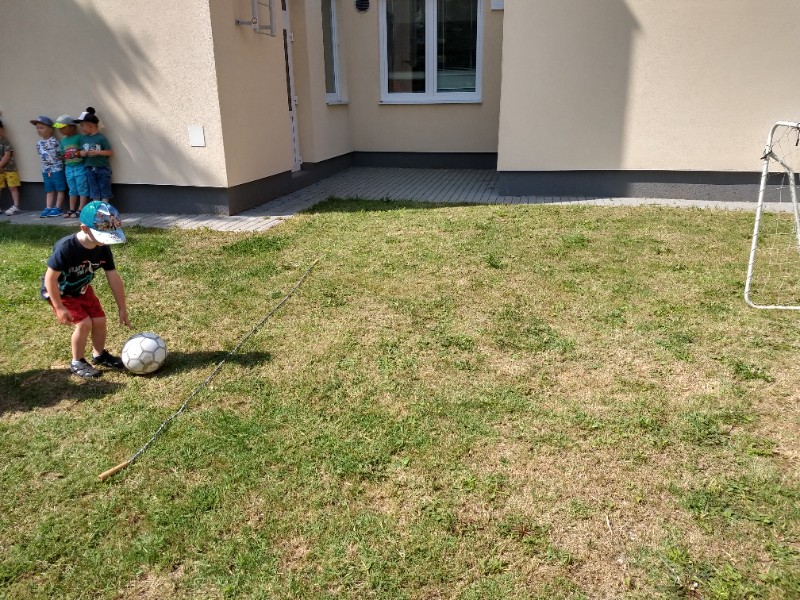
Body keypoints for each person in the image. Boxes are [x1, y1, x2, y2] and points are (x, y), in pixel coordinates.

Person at [41, 201, 131, 378]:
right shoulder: (66, 248)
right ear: (85, 229)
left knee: (99, 320)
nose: (105, 241)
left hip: (82, 289)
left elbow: (113, 277)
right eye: (103, 236)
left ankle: (99, 355)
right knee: (84, 323)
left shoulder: (102, 248)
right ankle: (77, 362)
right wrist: (59, 307)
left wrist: (122, 307)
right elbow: (50, 278)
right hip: (61, 292)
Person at [74, 108, 113, 203]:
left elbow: (109, 152)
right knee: (93, 188)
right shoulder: (83, 138)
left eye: (83, 126)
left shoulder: (101, 138)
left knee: (104, 188)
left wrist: (97, 152)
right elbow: (79, 152)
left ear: (91, 126)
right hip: (89, 168)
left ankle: (104, 207)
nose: (81, 129)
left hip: (102, 168)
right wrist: (82, 153)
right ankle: (96, 207)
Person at [30, 115, 66, 217]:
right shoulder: (39, 143)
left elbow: (60, 154)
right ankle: (48, 207)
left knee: (60, 188)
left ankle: (58, 207)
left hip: (57, 169)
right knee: (49, 189)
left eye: (41, 128)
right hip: (46, 170)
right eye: (37, 128)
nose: (39, 130)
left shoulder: (55, 141)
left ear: (50, 129)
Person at [54, 114, 88, 218]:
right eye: (59, 128)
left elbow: (84, 150)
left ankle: (81, 208)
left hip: (80, 166)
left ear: (72, 127)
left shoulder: (79, 138)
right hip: (69, 168)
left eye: (63, 127)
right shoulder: (63, 141)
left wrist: (77, 153)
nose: (61, 130)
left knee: (82, 188)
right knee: (72, 189)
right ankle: (72, 208)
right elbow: (62, 155)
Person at [0, 119, 22, 215]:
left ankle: (16, 206)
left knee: (12, 187)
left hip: (9, 169)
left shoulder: (5, 141)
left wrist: (0, 165)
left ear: (2, 129)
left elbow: (7, 155)